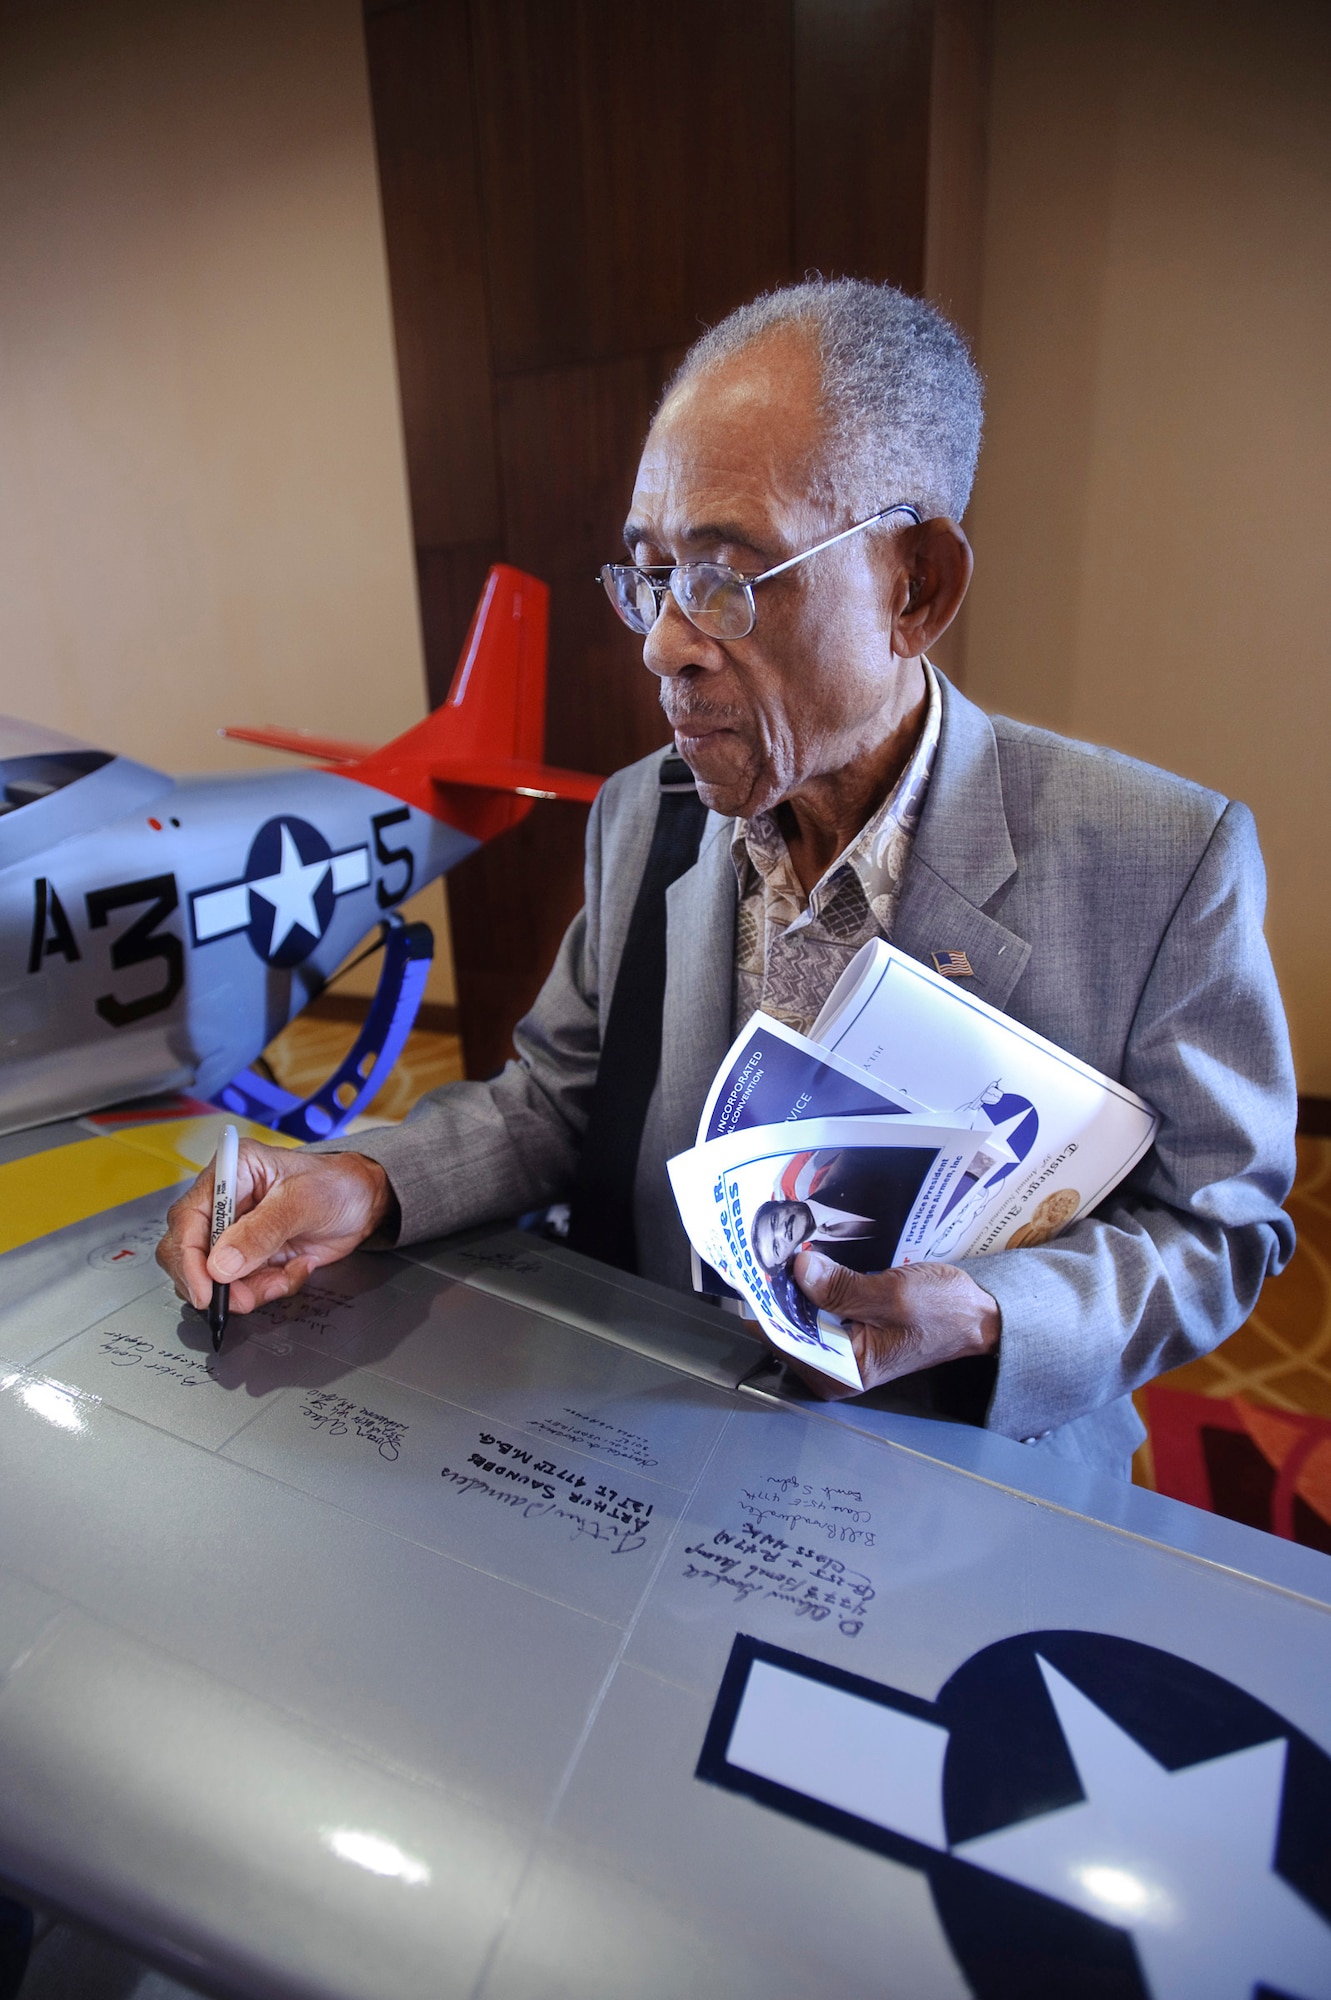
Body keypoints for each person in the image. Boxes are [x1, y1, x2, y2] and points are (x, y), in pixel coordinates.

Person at [157, 278, 1296, 1478]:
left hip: (968, 1463)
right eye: (648, 575)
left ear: (916, 586)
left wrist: (993, 1313)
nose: (660, 643)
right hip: (661, 1418)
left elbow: (1215, 1226)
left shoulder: (1158, 861)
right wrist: (363, 1179)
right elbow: (556, 1100)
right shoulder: (641, 813)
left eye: (724, 577)